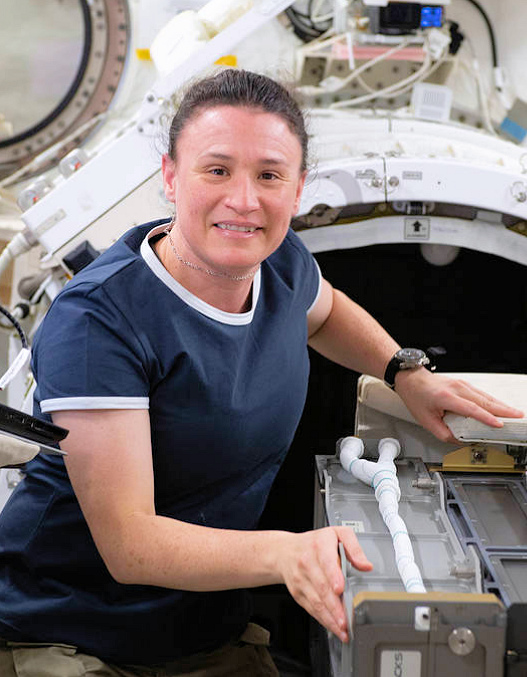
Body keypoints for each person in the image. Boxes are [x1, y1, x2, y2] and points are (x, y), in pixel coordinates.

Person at [0, 69, 522, 677]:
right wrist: (283, 554)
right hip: (67, 630)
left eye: (269, 175)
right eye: (217, 170)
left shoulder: (281, 263)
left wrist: (404, 371)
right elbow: (130, 545)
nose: (244, 200)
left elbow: (326, 313)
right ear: (171, 176)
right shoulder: (100, 320)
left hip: (201, 627)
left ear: (297, 189)